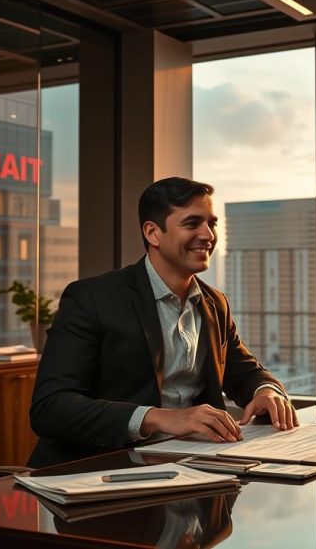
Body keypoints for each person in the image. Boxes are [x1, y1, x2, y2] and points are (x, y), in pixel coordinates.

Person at [28, 177, 297, 467]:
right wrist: (159, 418)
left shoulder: (214, 303)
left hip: (192, 468)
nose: (208, 235)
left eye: (212, 223)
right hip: (100, 472)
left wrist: (266, 391)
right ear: (153, 233)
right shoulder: (91, 299)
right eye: (192, 223)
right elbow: (50, 408)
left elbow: (243, 371)